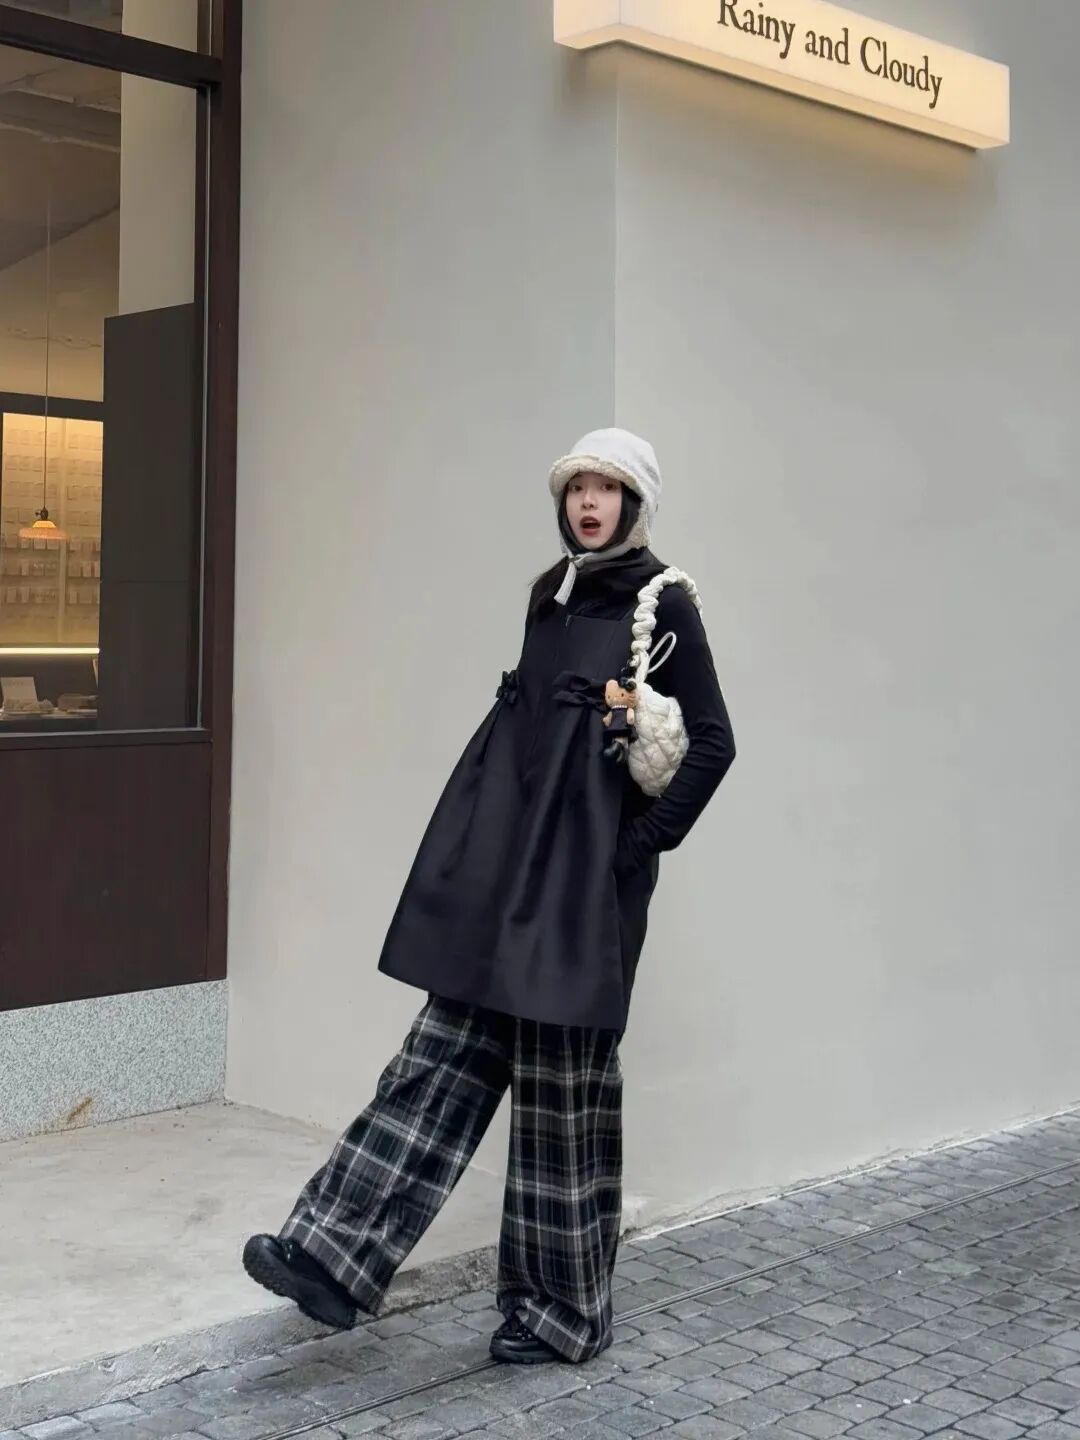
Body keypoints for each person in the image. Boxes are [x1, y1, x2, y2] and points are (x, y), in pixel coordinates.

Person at [243, 427, 736, 1365]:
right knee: (439, 1057)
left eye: (607, 489)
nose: (588, 503)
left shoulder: (662, 601)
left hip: (585, 897)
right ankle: (334, 1256)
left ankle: (560, 1315)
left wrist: (632, 849)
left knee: (561, 1100)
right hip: (510, 875)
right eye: (576, 488)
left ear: (635, 504)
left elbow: (712, 742)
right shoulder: (550, 595)